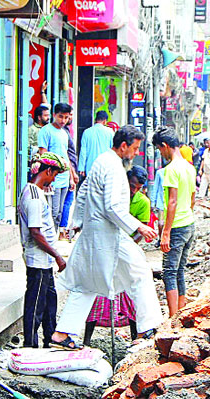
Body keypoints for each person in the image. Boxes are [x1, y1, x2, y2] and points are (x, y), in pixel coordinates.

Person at [50, 125, 162, 349]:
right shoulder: (112, 166)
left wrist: (77, 222)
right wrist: (138, 226)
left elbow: (83, 192)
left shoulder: (102, 161)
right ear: (123, 146)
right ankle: (146, 329)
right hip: (109, 234)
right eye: (135, 148)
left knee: (88, 284)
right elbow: (112, 206)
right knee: (138, 273)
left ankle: (61, 334)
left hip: (99, 233)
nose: (136, 153)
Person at [82, 165, 150, 346]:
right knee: (98, 295)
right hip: (105, 250)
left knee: (130, 296)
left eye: (137, 188)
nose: (133, 191)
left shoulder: (142, 202)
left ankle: (137, 337)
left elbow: (139, 232)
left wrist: (124, 249)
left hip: (125, 254)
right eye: (131, 185)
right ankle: (86, 341)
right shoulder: (114, 197)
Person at [18, 152, 70, 348]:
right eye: (54, 175)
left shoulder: (37, 193)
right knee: (35, 304)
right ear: (48, 171)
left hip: (44, 259)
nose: (54, 179)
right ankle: (30, 343)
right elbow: (36, 232)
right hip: (38, 259)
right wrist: (57, 256)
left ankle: (51, 337)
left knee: (49, 301)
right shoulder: (33, 196)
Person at [152, 127, 196, 317]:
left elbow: (172, 201)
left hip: (177, 226)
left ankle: (173, 318)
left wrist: (166, 232)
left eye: (160, 149)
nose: (161, 153)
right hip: (189, 224)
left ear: (165, 146)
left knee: (169, 272)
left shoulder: (171, 170)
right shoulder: (189, 167)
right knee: (179, 271)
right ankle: (181, 314)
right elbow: (192, 199)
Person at [38, 103, 76, 228]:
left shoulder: (65, 133)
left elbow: (66, 156)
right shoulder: (46, 131)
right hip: (52, 178)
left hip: (64, 178)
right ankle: (48, 240)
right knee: (52, 213)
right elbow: (43, 154)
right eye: (61, 117)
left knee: (60, 212)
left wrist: (71, 176)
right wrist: (46, 179)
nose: (63, 120)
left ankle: (53, 239)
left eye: (66, 117)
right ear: (54, 115)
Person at [58, 114, 79, 240]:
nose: (68, 118)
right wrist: (72, 175)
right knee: (61, 207)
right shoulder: (62, 134)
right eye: (65, 116)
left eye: (70, 115)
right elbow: (66, 157)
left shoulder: (65, 133)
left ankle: (62, 230)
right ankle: (61, 231)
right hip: (63, 175)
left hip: (69, 173)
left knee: (65, 204)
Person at [78, 111, 114, 179]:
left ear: (95, 119)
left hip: (90, 168)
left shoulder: (87, 132)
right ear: (105, 121)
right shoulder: (110, 132)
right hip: (105, 168)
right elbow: (113, 150)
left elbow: (83, 152)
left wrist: (81, 168)